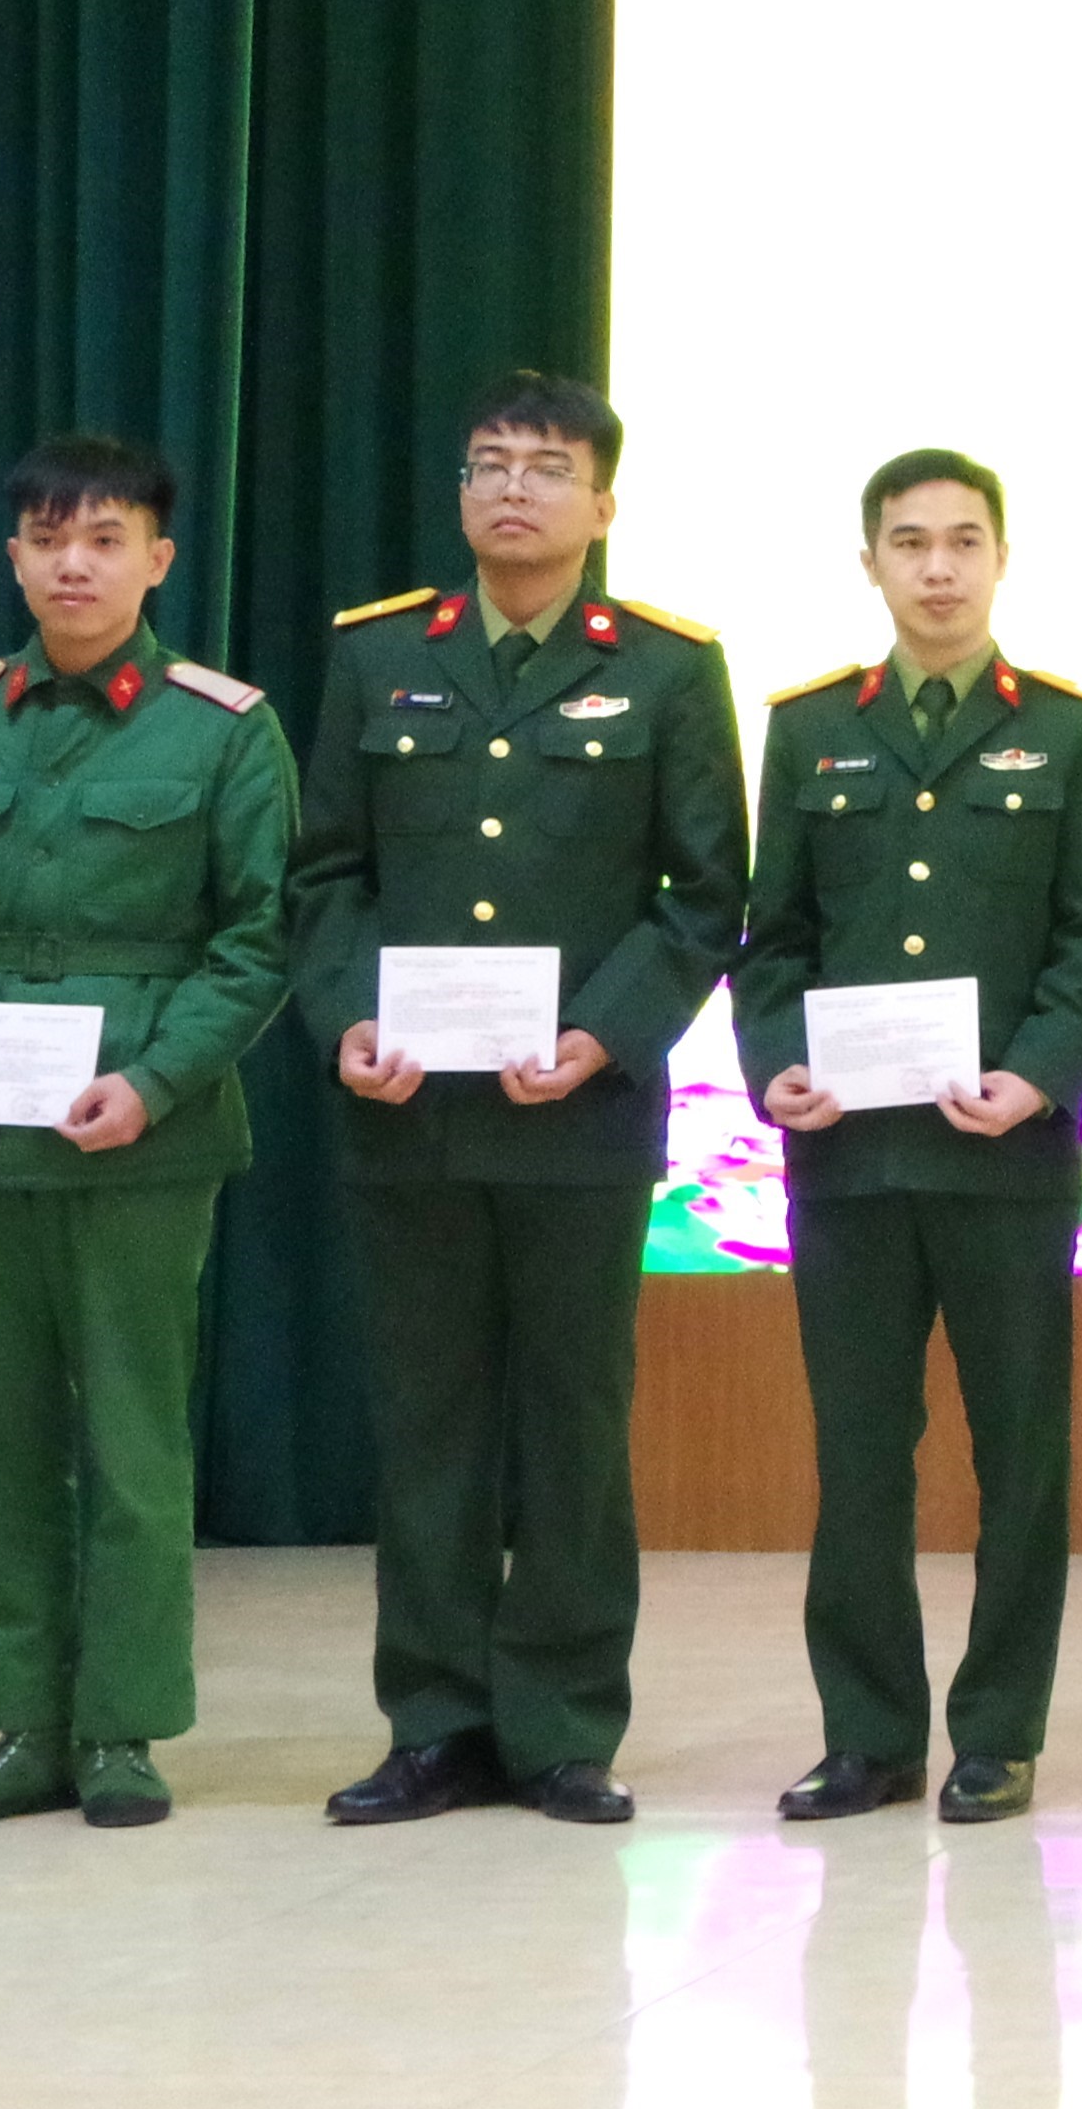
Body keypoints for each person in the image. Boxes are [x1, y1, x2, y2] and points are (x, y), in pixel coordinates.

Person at [292, 368, 746, 1831]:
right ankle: (433, 1724)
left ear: (601, 504)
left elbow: (704, 896)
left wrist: (602, 1036)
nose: (512, 488)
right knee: (428, 1423)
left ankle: (559, 1725)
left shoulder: (667, 669)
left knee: (572, 1425)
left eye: (548, 467)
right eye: (489, 462)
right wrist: (349, 1017)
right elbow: (325, 874)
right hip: (409, 1111)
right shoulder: (379, 655)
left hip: (580, 1114)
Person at [0, 433, 295, 1829]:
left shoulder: (223, 727)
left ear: (159, 557)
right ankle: (23, 1722)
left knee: (135, 1447)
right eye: (48, 540)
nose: (74, 564)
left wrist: (153, 1080)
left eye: (104, 538)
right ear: (15, 558)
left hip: (139, 1136)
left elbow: (258, 938)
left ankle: (121, 1730)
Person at [734, 451, 1082, 1828]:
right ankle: (867, 1733)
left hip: (1005, 1155)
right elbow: (774, 938)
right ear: (872, 564)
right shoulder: (809, 729)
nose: (940, 567)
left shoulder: (1075, 734)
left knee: (1021, 1458)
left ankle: (999, 1731)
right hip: (850, 1156)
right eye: (910, 542)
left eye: (965, 540)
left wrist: (1039, 1076)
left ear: (1002, 557)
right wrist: (775, 1068)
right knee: (860, 1455)